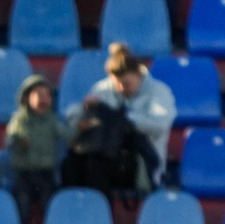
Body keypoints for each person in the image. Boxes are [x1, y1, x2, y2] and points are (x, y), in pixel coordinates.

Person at [69, 43, 175, 187]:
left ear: (138, 75)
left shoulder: (159, 91)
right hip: (108, 160)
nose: (120, 89)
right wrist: (84, 109)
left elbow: (160, 124)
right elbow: (72, 119)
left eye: (126, 84)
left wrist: (123, 119)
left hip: (144, 163)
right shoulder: (103, 89)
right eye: (116, 84)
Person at [1, 73, 67, 224]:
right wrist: (19, 142)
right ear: (26, 98)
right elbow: (10, 139)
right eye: (39, 95)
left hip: (46, 173)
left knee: (49, 206)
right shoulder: (19, 119)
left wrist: (80, 129)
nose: (43, 99)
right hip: (24, 173)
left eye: (47, 95)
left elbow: (67, 135)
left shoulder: (52, 120)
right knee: (22, 206)